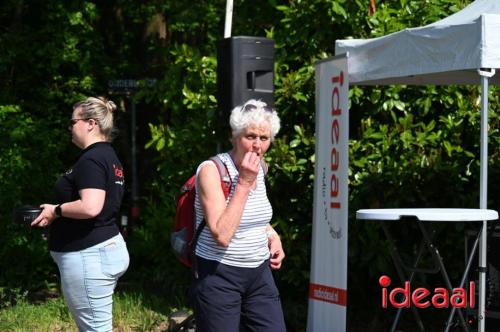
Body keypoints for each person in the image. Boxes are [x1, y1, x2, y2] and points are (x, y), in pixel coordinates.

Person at [31, 96, 129, 332]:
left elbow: (90, 206)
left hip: (89, 257)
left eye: (73, 121)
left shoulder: (92, 159)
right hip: (101, 250)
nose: (70, 127)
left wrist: (56, 210)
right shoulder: (108, 156)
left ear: (91, 123)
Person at [190, 99, 287, 331]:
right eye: (250, 136)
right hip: (218, 273)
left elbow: (257, 217)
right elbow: (222, 235)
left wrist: (273, 236)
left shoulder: (261, 169)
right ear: (235, 136)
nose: (257, 145)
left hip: (259, 273)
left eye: (264, 139)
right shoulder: (211, 171)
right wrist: (243, 182)